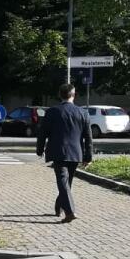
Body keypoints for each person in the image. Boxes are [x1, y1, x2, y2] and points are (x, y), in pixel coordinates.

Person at [36, 83, 93, 223]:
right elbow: (88, 137)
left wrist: (40, 149)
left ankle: (69, 211)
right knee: (66, 182)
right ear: (73, 95)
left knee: (64, 182)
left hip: (58, 151)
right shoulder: (83, 113)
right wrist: (88, 156)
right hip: (75, 153)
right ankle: (61, 207)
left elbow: (42, 133)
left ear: (60, 95)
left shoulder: (52, 112)